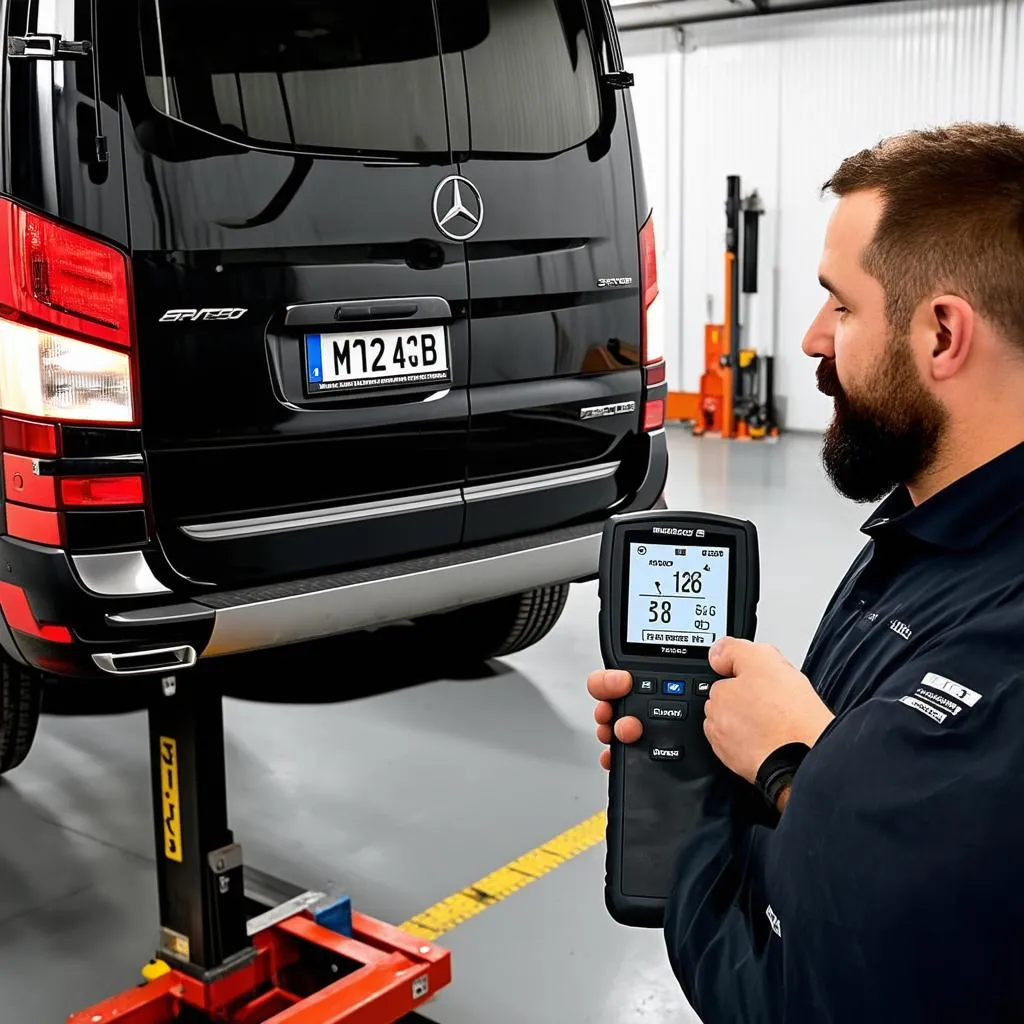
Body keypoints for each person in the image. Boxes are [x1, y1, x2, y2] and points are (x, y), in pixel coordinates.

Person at [588, 122, 1024, 1024]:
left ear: (943, 333)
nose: (814, 337)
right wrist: (755, 748)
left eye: (842, 305)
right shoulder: (930, 534)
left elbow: (798, 995)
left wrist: (770, 771)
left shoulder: (999, 644)